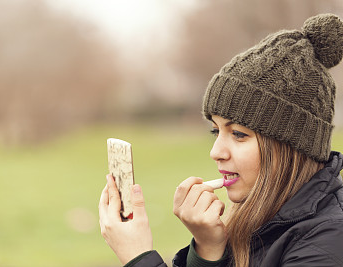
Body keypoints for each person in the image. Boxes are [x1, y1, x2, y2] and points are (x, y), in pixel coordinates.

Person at [98, 13, 343, 267]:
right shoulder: (263, 221)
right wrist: (208, 250)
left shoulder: (327, 244)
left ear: (292, 144)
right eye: (216, 131)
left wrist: (138, 257)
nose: (216, 152)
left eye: (238, 134)